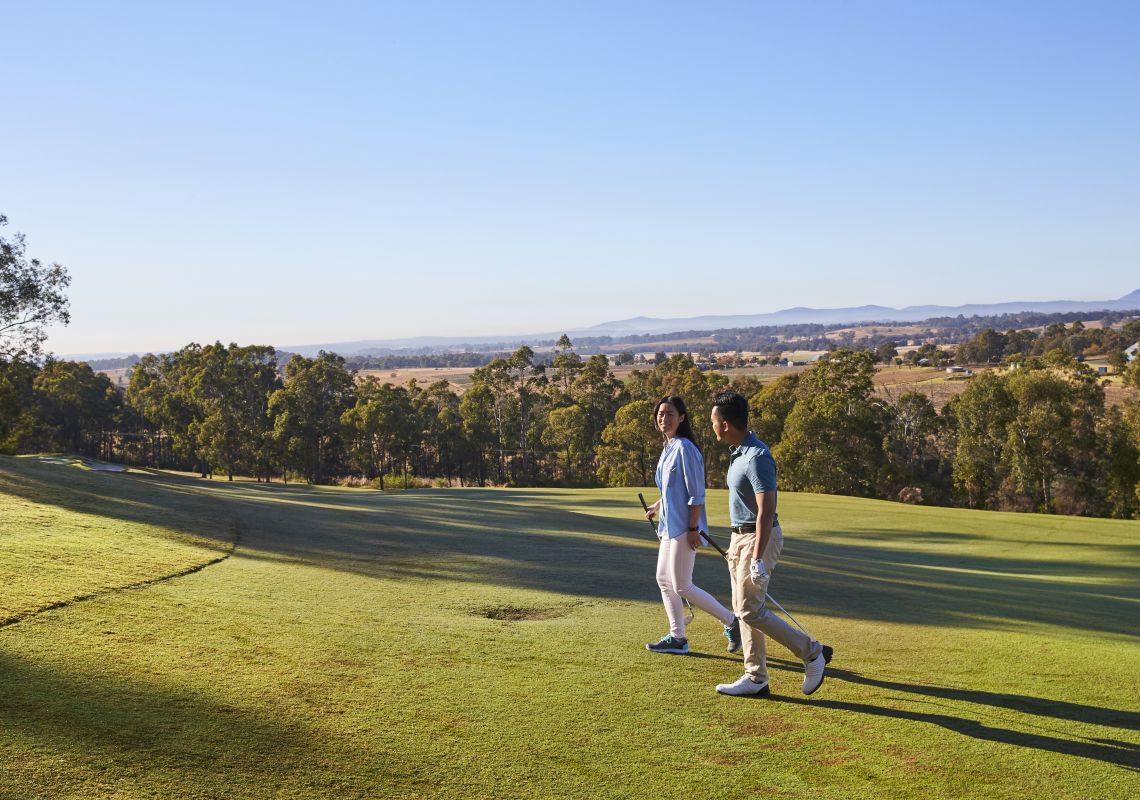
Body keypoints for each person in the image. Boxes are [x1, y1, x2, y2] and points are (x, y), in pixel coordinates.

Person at [709, 390, 831, 696]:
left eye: (713, 421)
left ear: (724, 424)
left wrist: (757, 558)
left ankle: (811, 653)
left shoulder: (757, 456)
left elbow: (766, 512)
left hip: (757, 537)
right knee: (743, 609)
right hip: (740, 537)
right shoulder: (738, 452)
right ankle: (756, 677)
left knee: (750, 610)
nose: (711, 426)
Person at [643, 395, 742, 655]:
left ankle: (732, 622)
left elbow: (696, 493)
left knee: (682, 585)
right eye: (661, 414)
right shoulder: (668, 447)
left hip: (685, 528)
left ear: (682, 418)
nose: (664, 418)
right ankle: (678, 637)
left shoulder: (686, 448)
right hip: (668, 526)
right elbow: (671, 489)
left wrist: (692, 528)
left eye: (670, 414)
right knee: (664, 580)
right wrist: (657, 506)